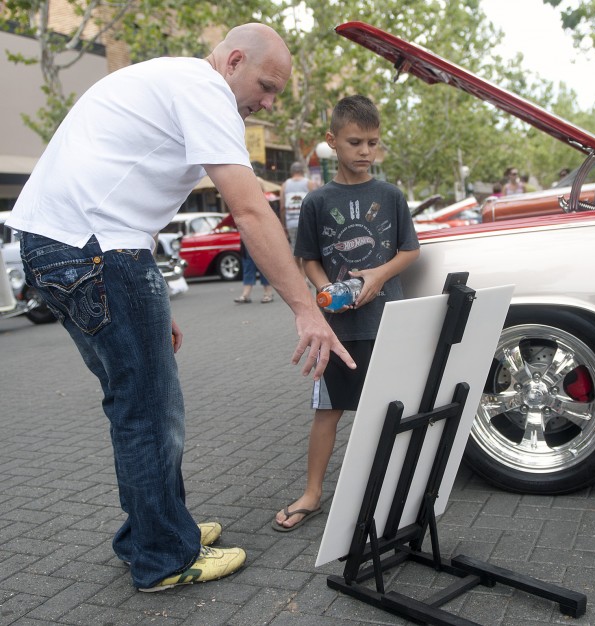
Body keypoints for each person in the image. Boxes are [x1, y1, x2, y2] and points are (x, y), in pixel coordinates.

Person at [7, 23, 355, 592]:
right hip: (97, 250)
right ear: (234, 60)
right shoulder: (206, 90)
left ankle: (154, 529)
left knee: (134, 399)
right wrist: (307, 309)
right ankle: (164, 556)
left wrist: (145, 305)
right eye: (266, 86)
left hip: (69, 248)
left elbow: (122, 188)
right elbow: (248, 209)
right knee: (147, 410)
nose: (267, 102)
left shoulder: (172, 79)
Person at [272, 95, 419, 531]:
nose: (366, 151)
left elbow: (410, 251)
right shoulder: (317, 202)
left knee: (390, 408)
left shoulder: (391, 196)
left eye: (373, 142)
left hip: (388, 323)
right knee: (327, 410)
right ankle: (313, 493)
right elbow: (309, 258)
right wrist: (326, 289)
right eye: (355, 142)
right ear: (332, 141)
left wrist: (376, 277)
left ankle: (390, 490)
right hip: (337, 327)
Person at [280, 161, 316, 245]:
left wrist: (284, 224)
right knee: (307, 250)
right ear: (302, 171)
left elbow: (282, 207)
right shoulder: (309, 183)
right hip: (307, 223)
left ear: (291, 172)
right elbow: (315, 204)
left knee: (294, 249)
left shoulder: (284, 185)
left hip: (291, 223)